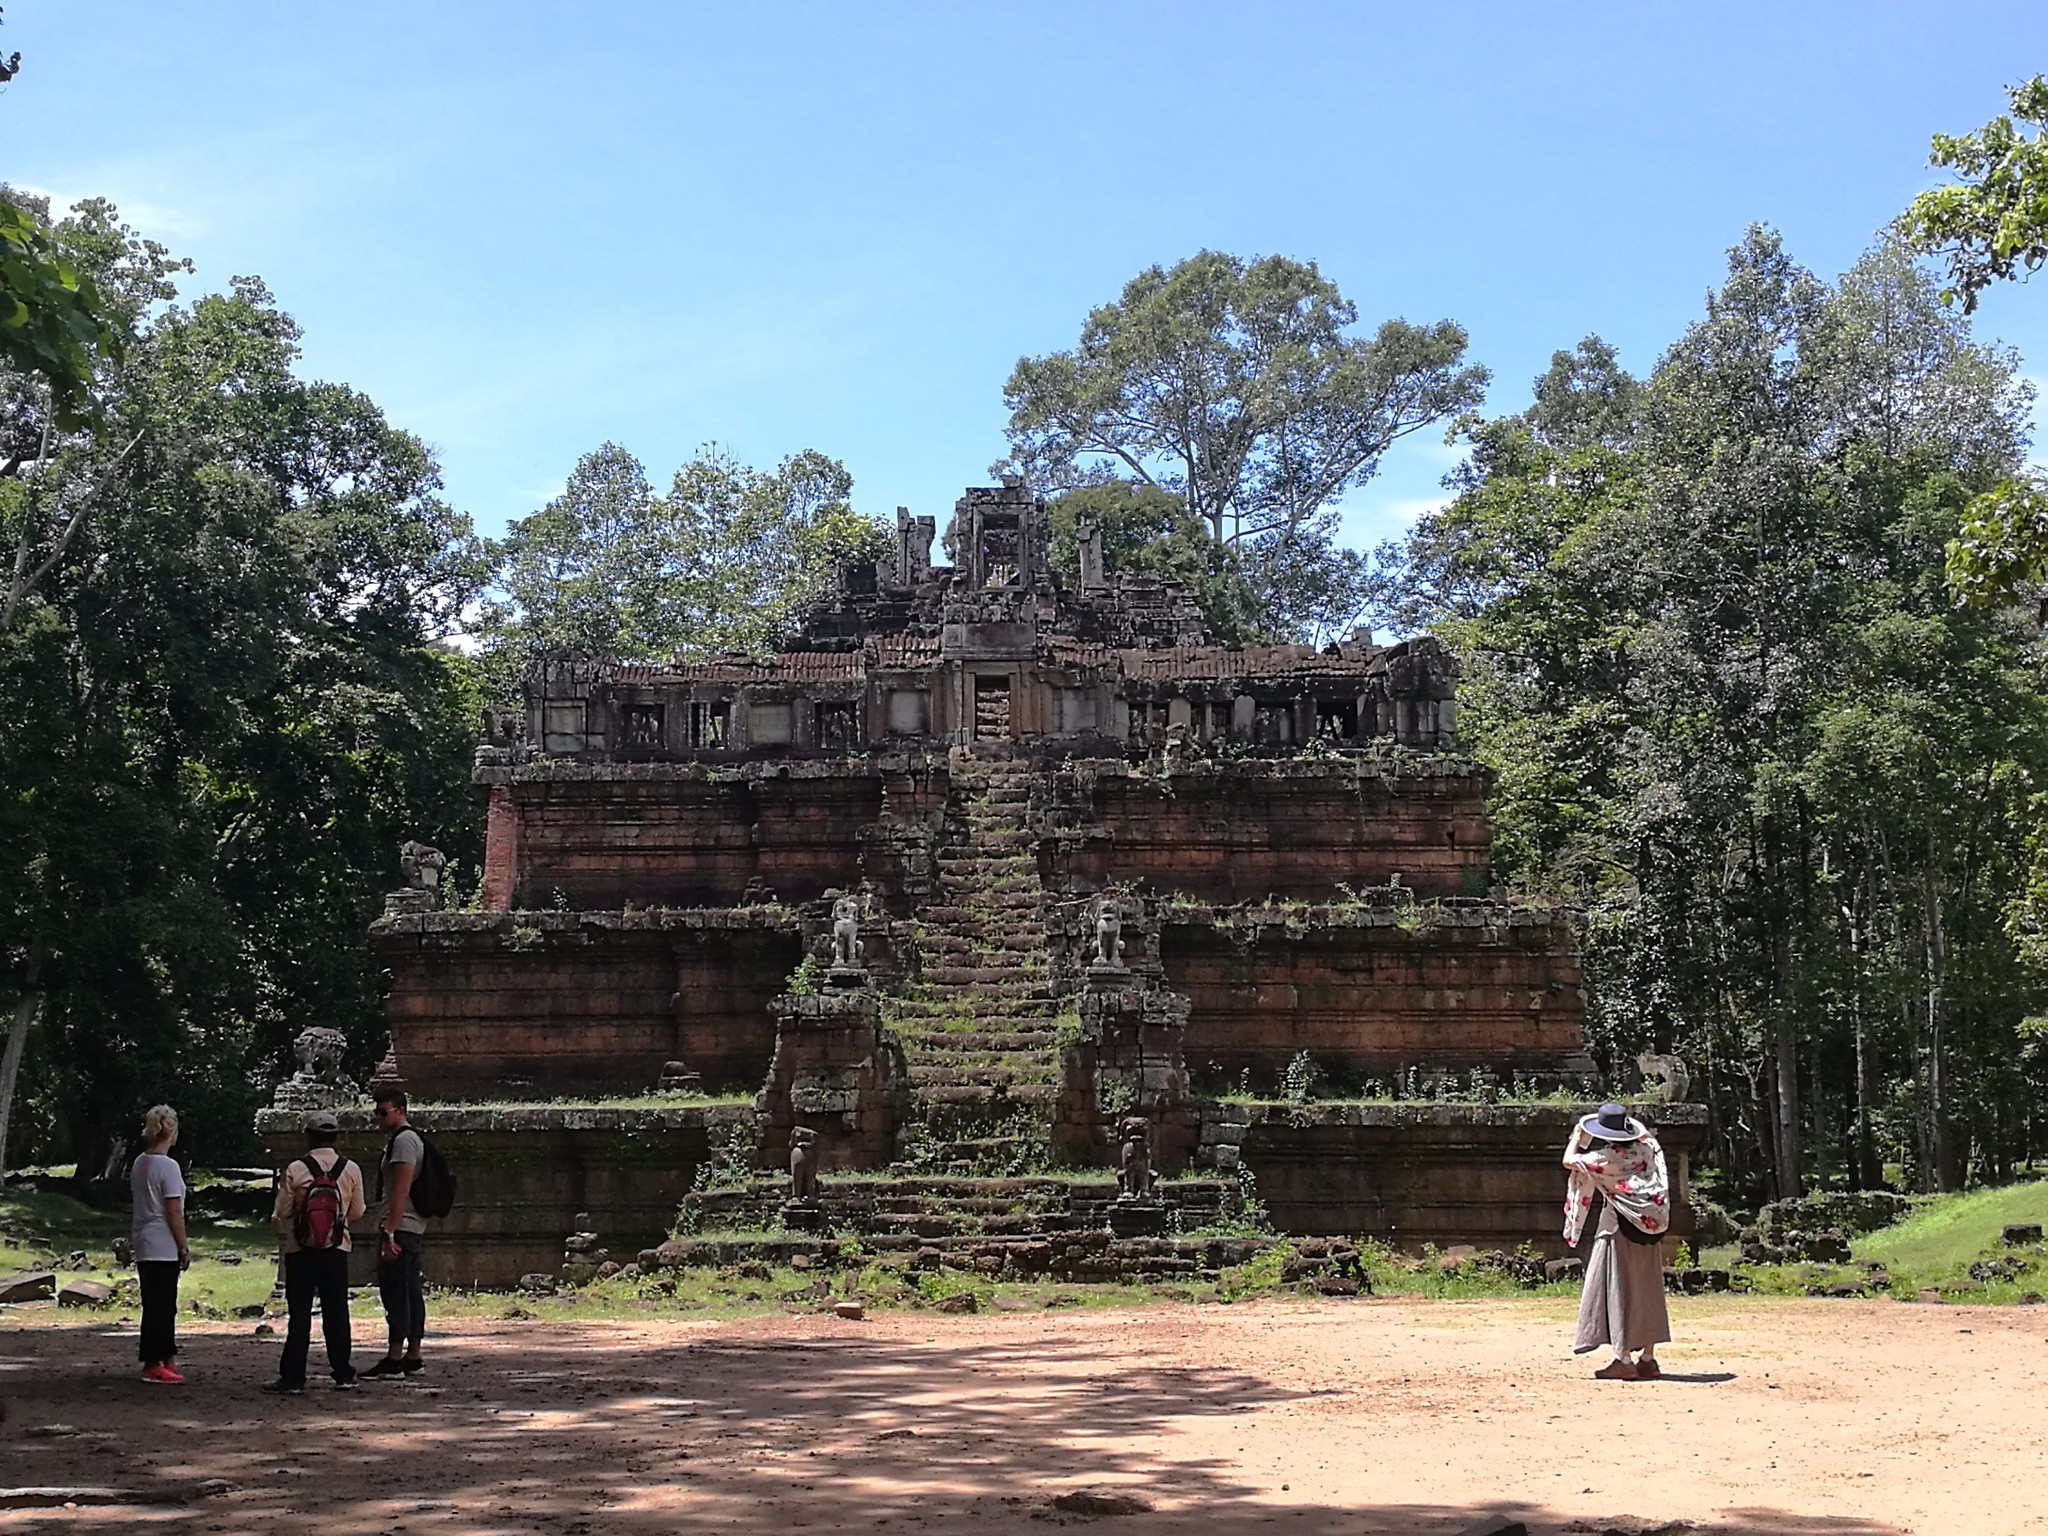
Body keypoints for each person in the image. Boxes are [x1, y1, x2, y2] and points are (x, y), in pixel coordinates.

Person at [1561, 1102, 1673, 1381]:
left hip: (1618, 1227)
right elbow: (1647, 1136)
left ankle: (1622, 1358)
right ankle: (1648, 1358)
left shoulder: (1605, 1158)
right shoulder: (1647, 1149)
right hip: (1651, 1223)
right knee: (1647, 1288)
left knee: (1617, 1288)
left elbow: (1569, 1160)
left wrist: (1577, 1137)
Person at [263, 1109, 365, 1394]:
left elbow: (282, 1211)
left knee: (300, 1313)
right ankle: (343, 1372)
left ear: (308, 1137)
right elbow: (357, 1212)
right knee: (336, 1311)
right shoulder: (351, 1168)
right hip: (336, 1247)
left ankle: (293, 1376)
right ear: (335, 1137)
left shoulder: (296, 1168)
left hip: (300, 1248)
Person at [364, 1090, 427, 1377]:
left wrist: (388, 1231)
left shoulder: (403, 1142)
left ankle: (394, 1357)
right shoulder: (406, 1139)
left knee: (396, 1291)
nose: (378, 1117)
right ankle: (412, 1357)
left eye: (383, 1111)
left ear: (400, 1111)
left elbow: (400, 1190)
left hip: (401, 1226)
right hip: (409, 1226)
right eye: (376, 1111)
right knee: (410, 1290)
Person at [129, 1105, 189, 1385]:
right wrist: (183, 1245)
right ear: (172, 1131)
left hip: (143, 1238)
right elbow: (173, 1210)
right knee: (163, 1305)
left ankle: (164, 1356)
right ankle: (154, 1360)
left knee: (155, 1302)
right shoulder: (168, 1166)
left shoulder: (140, 1163)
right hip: (162, 1242)